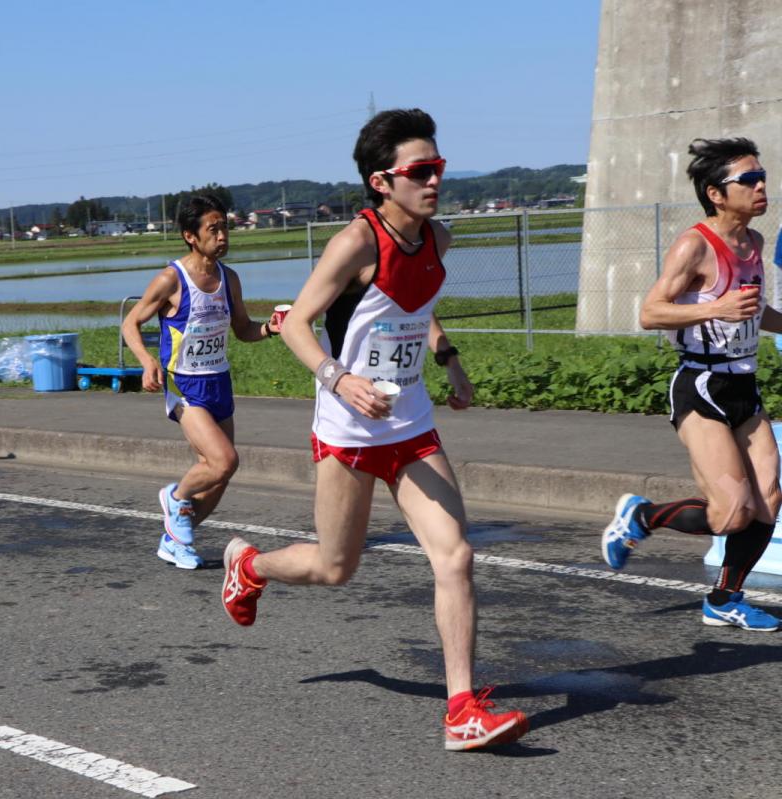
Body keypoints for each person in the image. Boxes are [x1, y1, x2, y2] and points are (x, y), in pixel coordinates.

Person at [218, 109, 527, 751]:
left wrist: (449, 362)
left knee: (456, 554)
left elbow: (416, 309)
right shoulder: (356, 243)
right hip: (350, 430)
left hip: (411, 423)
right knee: (336, 568)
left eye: (438, 167)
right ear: (383, 181)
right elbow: (298, 323)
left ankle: (462, 709)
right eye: (422, 170)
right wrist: (339, 379)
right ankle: (250, 565)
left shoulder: (439, 239)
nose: (435, 179)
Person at [602, 137, 782, 631]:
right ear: (716, 193)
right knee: (731, 515)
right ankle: (642, 517)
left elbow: (752, 309)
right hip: (701, 385)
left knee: (768, 500)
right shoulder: (694, 244)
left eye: (761, 176)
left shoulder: (755, 243)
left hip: (744, 385)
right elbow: (650, 312)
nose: (761, 185)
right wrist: (712, 308)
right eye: (748, 179)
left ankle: (724, 599)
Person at [122, 194, 281, 569]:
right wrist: (146, 361)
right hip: (184, 387)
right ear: (191, 236)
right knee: (224, 460)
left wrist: (270, 329)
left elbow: (243, 329)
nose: (223, 235)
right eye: (214, 229)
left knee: (218, 478)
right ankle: (174, 496)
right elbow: (130, 323)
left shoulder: (230, 278)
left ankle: (174, 538)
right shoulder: (170, 279)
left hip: (219, 384)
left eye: (225, 226)